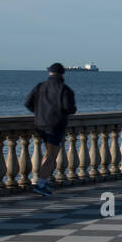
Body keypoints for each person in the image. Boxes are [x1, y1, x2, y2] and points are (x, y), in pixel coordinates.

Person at [23, 63, 77, 195]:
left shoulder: (40, 86)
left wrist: (39, 113)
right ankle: (40, 184)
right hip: (55, 126)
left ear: (49, 73)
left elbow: (27, 102)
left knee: (48, 154)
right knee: (51, 155)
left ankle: (43, 181)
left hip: (40, 124)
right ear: (62, 74)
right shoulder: (64, 89)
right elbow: (69, 108)